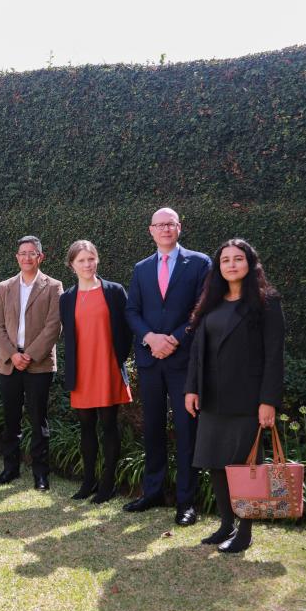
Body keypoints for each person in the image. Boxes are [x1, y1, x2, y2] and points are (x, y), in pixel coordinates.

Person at [185, 239, 284, 554]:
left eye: (237, 259)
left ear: (250, 263)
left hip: (248, 400)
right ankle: (226, 524)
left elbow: (274, 356)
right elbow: (198, 350)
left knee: (244, 468)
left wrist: (268, 400)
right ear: (219, 267)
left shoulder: (267, 302)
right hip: (212, 398)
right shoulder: (211, 302)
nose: (230, 264)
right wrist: (191, 388)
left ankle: (244, 532)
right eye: (225, 260)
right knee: (216, 463)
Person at [125, 207, 211, 526]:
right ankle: (153, 492)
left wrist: (173, 338)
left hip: (183, 360)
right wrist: (150, 337)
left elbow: (202, 309)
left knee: (187, 430)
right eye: (159, 225)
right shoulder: (142, 268)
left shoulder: (200, 263)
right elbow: (132, 310)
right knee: (153, 428)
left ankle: (187, 502)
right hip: (150, 360)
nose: (164, 229)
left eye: (170, 224)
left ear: (179, 228)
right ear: (150, 230)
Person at [60, 240, 133, 503]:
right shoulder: (66, 298)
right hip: (81, 370)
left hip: (107, 368)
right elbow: (68, 335)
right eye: (81, 260)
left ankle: (108, 483)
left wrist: (117, 359)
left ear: (97, 260)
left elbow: (127, 330)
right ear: (72, 265)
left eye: (91, 259)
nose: (87, 264)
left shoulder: (114, 291)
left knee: (109, 426)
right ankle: (88, 481)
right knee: (86, 427)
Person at [0, 236, 63, 491]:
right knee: (11, 419)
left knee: (38, 419)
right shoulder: (4, 287)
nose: (27, 257)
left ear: (40, 257)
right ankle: (10, 469)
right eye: (23, 253)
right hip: (9, 362)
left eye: (32, 253)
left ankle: (41, 474)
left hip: (39, 363)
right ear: (17, 257)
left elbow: (54, 326)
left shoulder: (53, 286)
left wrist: (29, 354)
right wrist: (13, 354)